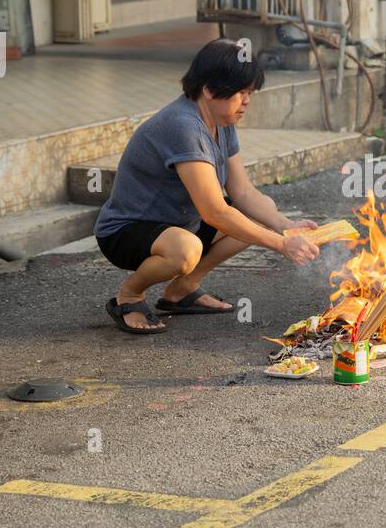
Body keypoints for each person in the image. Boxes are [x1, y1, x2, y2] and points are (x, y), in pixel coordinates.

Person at [95, 39, 319, 334]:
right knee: (186, 249)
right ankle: (130, 296)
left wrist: (286, 227)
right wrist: (281, 245)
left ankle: (182, 290)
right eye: (241, 93)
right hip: (127, 231)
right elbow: (214, 211)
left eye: (250, 93)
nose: (247, 101)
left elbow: (243, 193)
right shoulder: (183, 126)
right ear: (209, 90)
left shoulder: (222, 123)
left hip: (178, 224)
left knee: (262, 210)